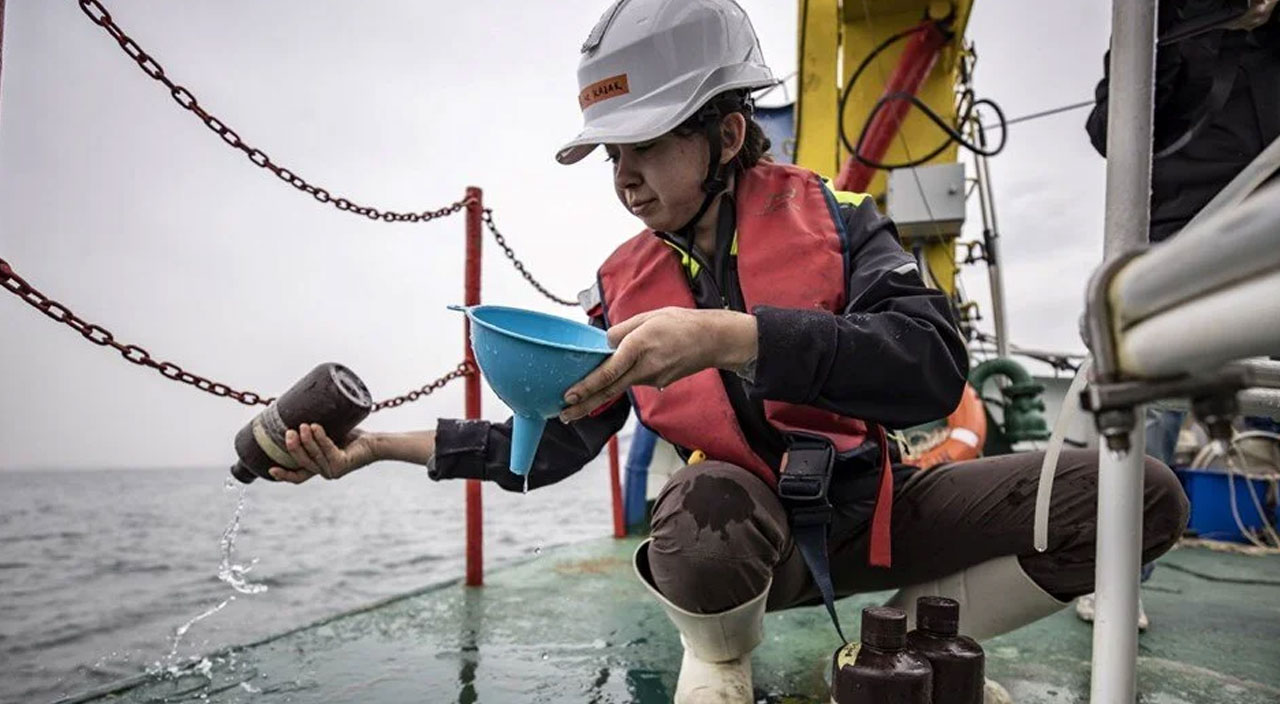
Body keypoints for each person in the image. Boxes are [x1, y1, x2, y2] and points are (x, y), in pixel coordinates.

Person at [268, 1, 1189, 702]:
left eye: (643, 145)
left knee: (1134, 497)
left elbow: (931, 363)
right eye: (608, 154)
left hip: (880, 511)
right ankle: (720, 664)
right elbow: (556, 443)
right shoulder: (619, 285)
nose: (621, 174)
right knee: (700, 500)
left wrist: (733, 339)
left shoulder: (839, 219)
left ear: (727, 134)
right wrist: (375, 447)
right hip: (746, 542)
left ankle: (902, 637)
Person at [1076, 0, 1279, 630]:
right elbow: (1110, 129)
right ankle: (1119, 576)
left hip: (1267, 213)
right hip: (1180, 231)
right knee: (1147, 405)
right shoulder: (1160, 17)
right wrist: (1187, 36)